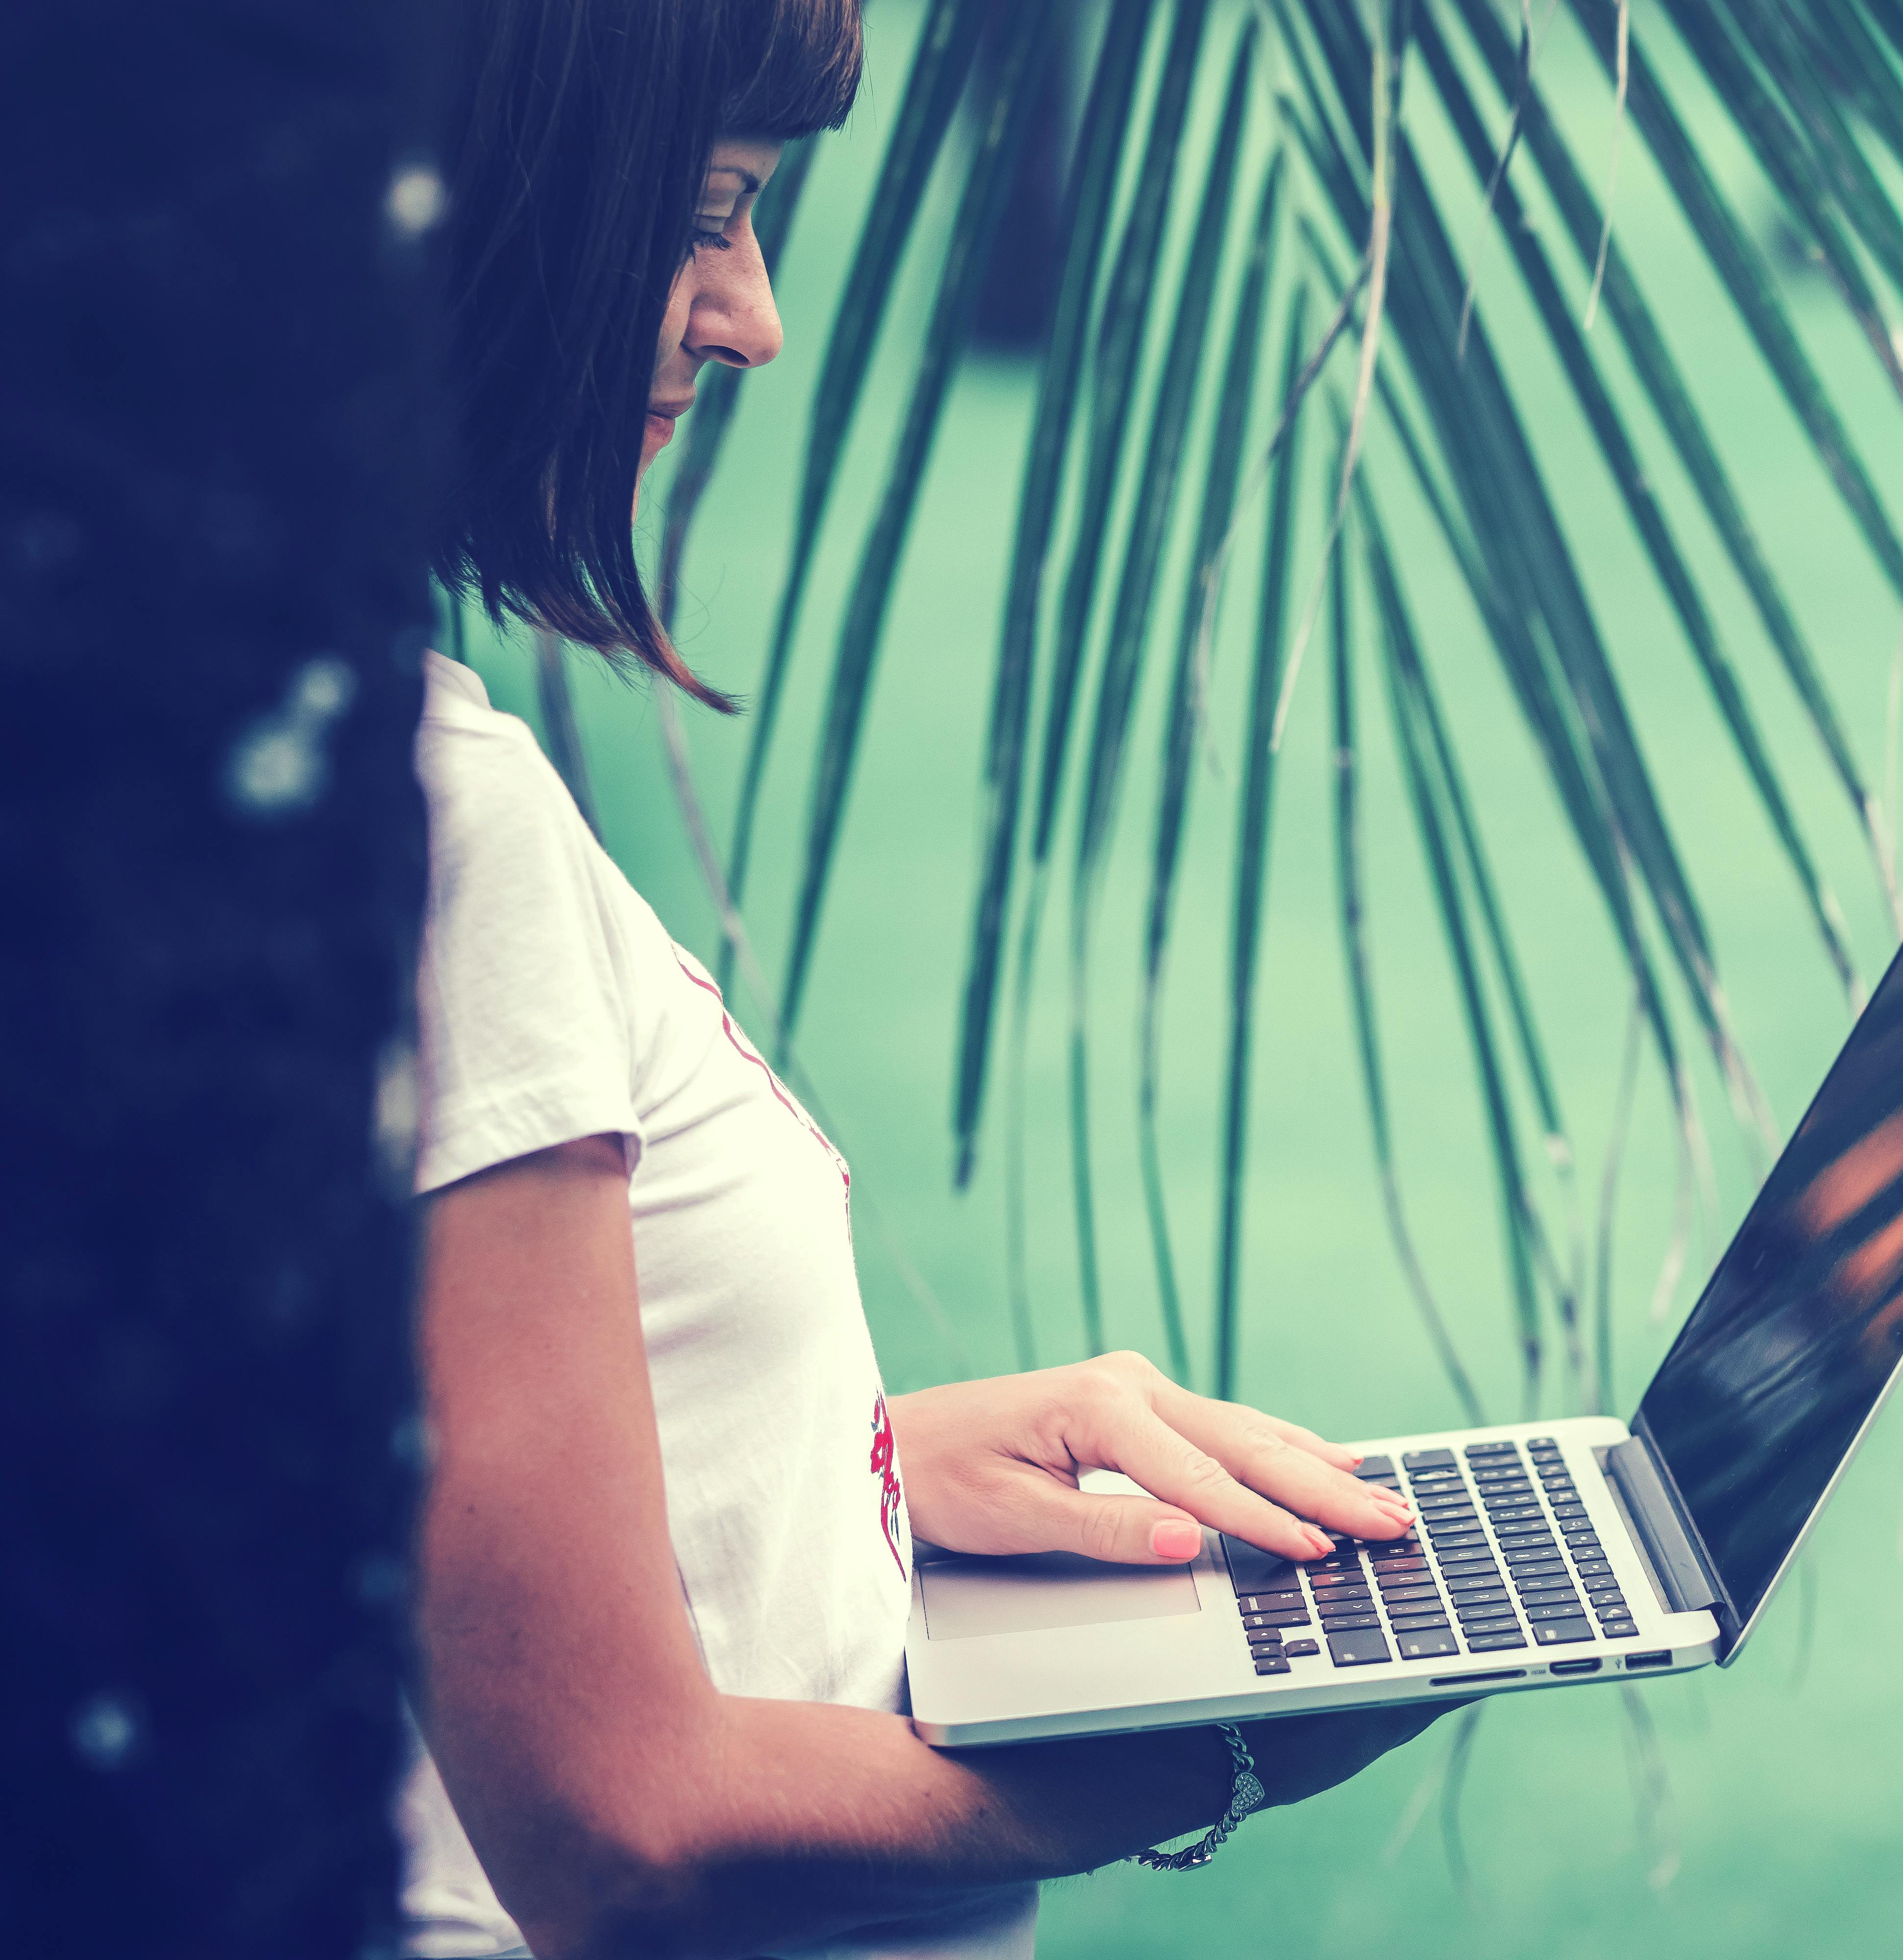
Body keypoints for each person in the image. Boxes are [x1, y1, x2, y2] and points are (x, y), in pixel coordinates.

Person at [405, 3, 1442, 1955]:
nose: (751, 314)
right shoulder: (442, 829)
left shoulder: (228, 766)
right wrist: (1218, 1754)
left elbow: (403, 1496)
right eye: (706, 217)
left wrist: (877, 1462)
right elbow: (621, 1820)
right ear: (492, 196)